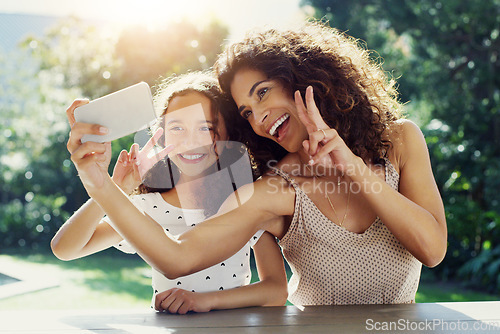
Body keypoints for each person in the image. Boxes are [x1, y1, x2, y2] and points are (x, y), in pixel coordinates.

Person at [63, 21, 447, 306]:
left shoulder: (399, 141)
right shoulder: (274, 189)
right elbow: (176, 258)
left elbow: (431, 250)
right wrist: (97, 181)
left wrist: (351, 166)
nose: (259, 116)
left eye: (263, 93)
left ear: (304, 77)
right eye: (247, 111)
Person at [51, 71, 288, 314]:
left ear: (228, 135)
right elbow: (66, 249)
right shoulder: (147, 206)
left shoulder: (245, 202)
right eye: (177, 128)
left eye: (205, 128)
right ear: (162, 137)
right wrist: (116, 189)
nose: (190, 141)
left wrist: (204, 301)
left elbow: (276, 290)